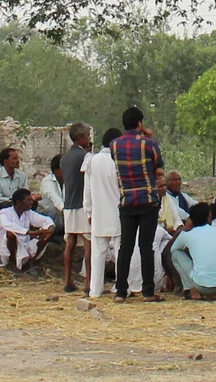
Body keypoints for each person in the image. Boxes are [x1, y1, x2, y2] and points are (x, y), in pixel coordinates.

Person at [112, 106, 164, 300]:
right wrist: (149, 136)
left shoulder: (114, 145)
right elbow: (159, 165)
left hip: (126, 201)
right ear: (140, 123)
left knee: (125, 247)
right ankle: (148, 291)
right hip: (148, 200)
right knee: (146, 246)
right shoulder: (149, 144)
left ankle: (120, 292)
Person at [83, 128, 123, 301]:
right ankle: (120, 287)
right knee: (121, 253)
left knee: (97, 254)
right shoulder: (119, 161)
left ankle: (95, 290)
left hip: (98, 214)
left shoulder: (92, 160)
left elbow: (88, 190)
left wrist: (89, 211)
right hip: (118, 214)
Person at [170, 204, 216, 300]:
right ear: (209, 217)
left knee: (176, 254)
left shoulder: (187, 235)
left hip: (201, 286)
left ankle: (190, 289)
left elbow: (173, 249)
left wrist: (185, 230)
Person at [60, 123, 93, 293]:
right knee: (88, 243)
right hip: (83, 204)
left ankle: (67, 280)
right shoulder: (86, 157)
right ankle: (88, 283)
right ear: (80, 137)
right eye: (87, 135)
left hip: (68, 204)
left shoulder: (64, 158)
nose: (89, 139)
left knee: (70, 242)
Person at [0, 188, 57, 273]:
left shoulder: (28, 213)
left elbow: (45, 220)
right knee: (10, 234)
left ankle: (31, 262)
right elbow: (7, 225)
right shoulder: (4, 213)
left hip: (26, 248)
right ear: (19, 203)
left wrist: (50, 228)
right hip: (8, 250)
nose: (31, 202)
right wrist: (29, 232)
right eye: (28, 200)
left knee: (47, 234)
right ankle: (12, 264)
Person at [40, 153, 67, 220]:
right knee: (56, 210)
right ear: (56, 170)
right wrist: (66, 211)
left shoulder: (68, 181)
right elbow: (55, 198)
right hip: (46, 215)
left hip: (62, 215)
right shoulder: (47, 181)